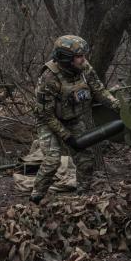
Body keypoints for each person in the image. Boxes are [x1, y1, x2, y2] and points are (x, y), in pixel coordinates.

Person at [30, 35, 120, 204]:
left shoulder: (84, 68)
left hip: (72, 118)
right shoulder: (49, 79)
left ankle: (82, 197)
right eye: (79, 57)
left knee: (86, 158)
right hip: (49, 122)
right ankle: (36, 196)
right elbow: (46, 114)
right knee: (52, 160)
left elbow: (100, 91)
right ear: (66, 59)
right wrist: (67, 136)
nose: (83, 60)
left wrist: (117, 106)